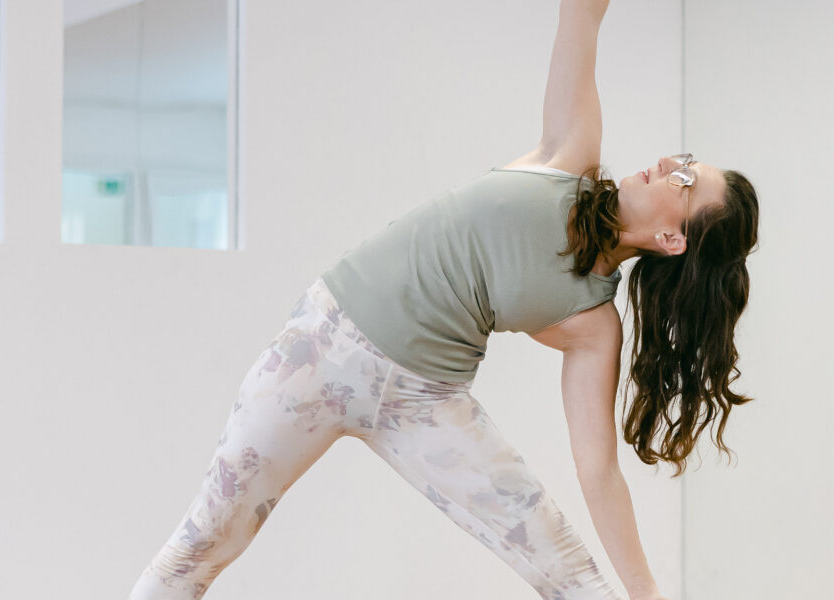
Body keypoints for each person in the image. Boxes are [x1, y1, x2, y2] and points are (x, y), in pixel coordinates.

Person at [128, 0, 759, 598]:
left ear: (675, 238)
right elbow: (581, 13)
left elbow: (597, 470)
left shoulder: (593, 323)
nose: (666, 162)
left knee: (574, 576)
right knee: (199, 547)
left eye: (684, 179)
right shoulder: (571, 156)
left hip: (423, 400)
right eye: (686, 159)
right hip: (319, 348)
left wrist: (645, 588)